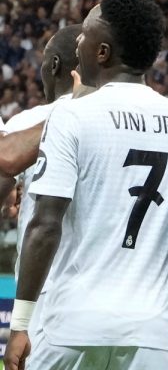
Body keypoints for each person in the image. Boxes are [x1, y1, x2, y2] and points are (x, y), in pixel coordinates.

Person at [4, 0, 168, 370]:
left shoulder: (72, 117)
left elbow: (44, 226)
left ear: (103, 52)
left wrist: (21, 324)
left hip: (72, 325)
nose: (78, 41)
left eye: (85, 35)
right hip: (149, 331)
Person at [0, 24, 82, 347]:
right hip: (128, 302)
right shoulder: (125, 120)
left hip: (45, 298)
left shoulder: (25, 125)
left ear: (55, 66)